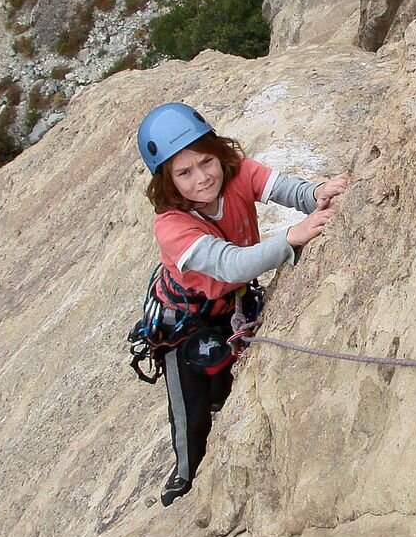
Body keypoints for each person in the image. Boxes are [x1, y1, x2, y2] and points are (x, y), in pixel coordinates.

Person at [138, 102, 349, 507]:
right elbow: (229, 264)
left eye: (206, 161)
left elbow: (281, 187)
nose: (202, 178)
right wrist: (290, 238)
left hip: (231, 305)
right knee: (191, 411)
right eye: (184, 173)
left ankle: (220, 401)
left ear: (218, 152)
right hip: (184, 323)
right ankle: (185, 472)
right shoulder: (171, 226)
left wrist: (316, 194)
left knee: (225, 380)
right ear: (167, 181)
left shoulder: (235, 171)